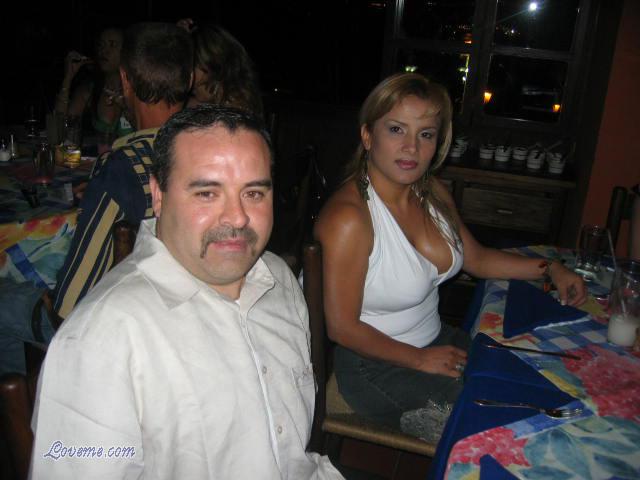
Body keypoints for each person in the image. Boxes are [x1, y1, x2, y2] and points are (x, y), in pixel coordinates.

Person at [30, 105, 343, 479]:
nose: (237, 217)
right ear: (158, 195)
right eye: (207, 193)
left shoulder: (279, 278)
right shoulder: (101, 341)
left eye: (254, 193)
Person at [313, 72, 587, 443]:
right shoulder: (349, 219)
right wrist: (419, 359)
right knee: (503, 429)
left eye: (425, 134)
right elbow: (341, 327)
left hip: (436, 339)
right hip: (375, 366)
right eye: (396, 129)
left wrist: (551, 269)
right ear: (367, 135)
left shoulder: (432, 192)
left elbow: (478, 260)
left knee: (539, 383)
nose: (411, 147)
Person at [0, 22, 193, 376]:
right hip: (178, 321)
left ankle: (30, 404)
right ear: (190, 78)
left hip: (107, 338)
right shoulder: (208, 151)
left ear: (125, 81)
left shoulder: (123, 168)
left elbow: (69, 306)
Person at [54, 27, 134, 139]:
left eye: (112, 45)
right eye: (101, 45)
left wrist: (127, 109)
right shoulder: (90, 89)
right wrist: (68, 78)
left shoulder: (138, 90)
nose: (104, 51)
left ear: (127, 51)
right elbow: (58, 131)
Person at [178, 18, 264, 118]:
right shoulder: (199, 100)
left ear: (208, 63)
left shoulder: (235, 107)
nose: (182, 68)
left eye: (188, 61)